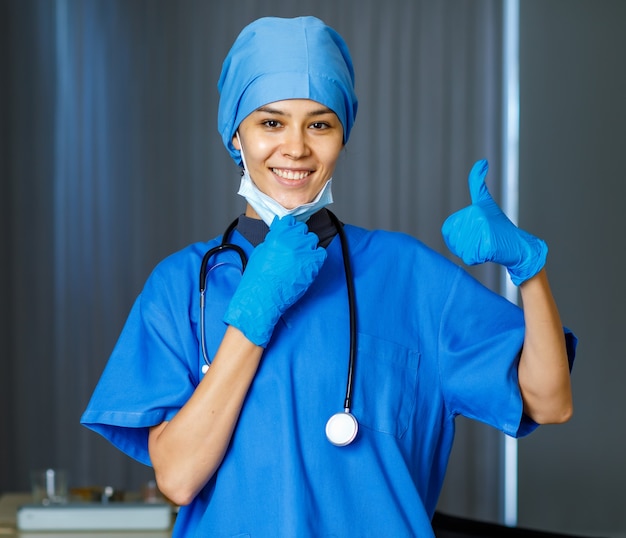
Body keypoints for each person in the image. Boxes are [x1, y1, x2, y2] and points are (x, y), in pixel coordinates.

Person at [81, 16, 576, 537]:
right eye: (270, 123)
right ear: (235, 133)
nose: (295, 148)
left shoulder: (406, 274)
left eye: (319, 124)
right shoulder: (181, 286)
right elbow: (178, 478)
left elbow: (550, 401)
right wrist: (253, 317)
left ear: (343, 135)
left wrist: (531, 273)